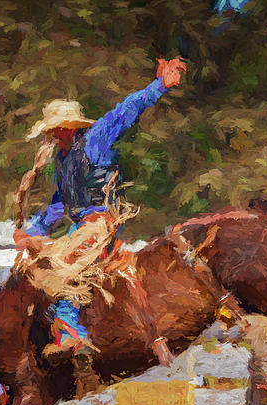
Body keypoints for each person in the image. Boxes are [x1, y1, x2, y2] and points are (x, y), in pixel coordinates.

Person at [13, 57, 187, 357]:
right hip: (78, 225)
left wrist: (159, 86)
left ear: (67, 128)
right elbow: (59, 203)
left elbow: (126, 111)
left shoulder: (94, 139)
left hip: (98, 223)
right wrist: (34, 230)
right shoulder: (63, 159)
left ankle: (72, 330)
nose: (51, 136)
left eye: (54, 130)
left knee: (64, 266)